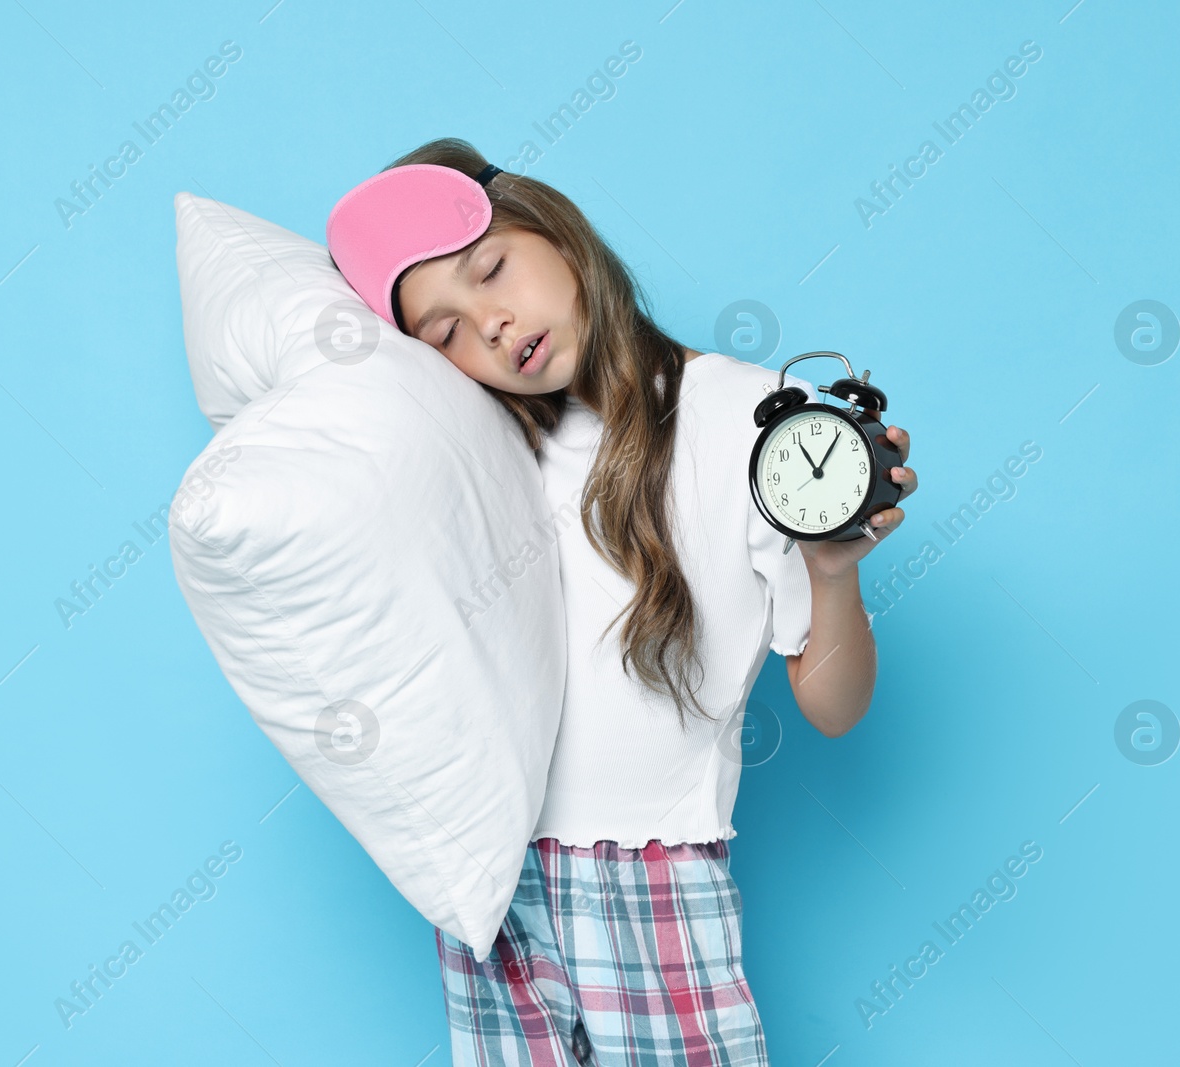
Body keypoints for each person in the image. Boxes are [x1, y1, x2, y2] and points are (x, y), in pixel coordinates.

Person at [326, 138, 917, 1066]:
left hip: (650, 879)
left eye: (492, 270)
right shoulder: (473, 456)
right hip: (489, 883)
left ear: (554, 231)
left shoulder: (752, 418)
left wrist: (834, 571)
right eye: (442, 331)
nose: (488, 322)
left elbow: (834, 707)